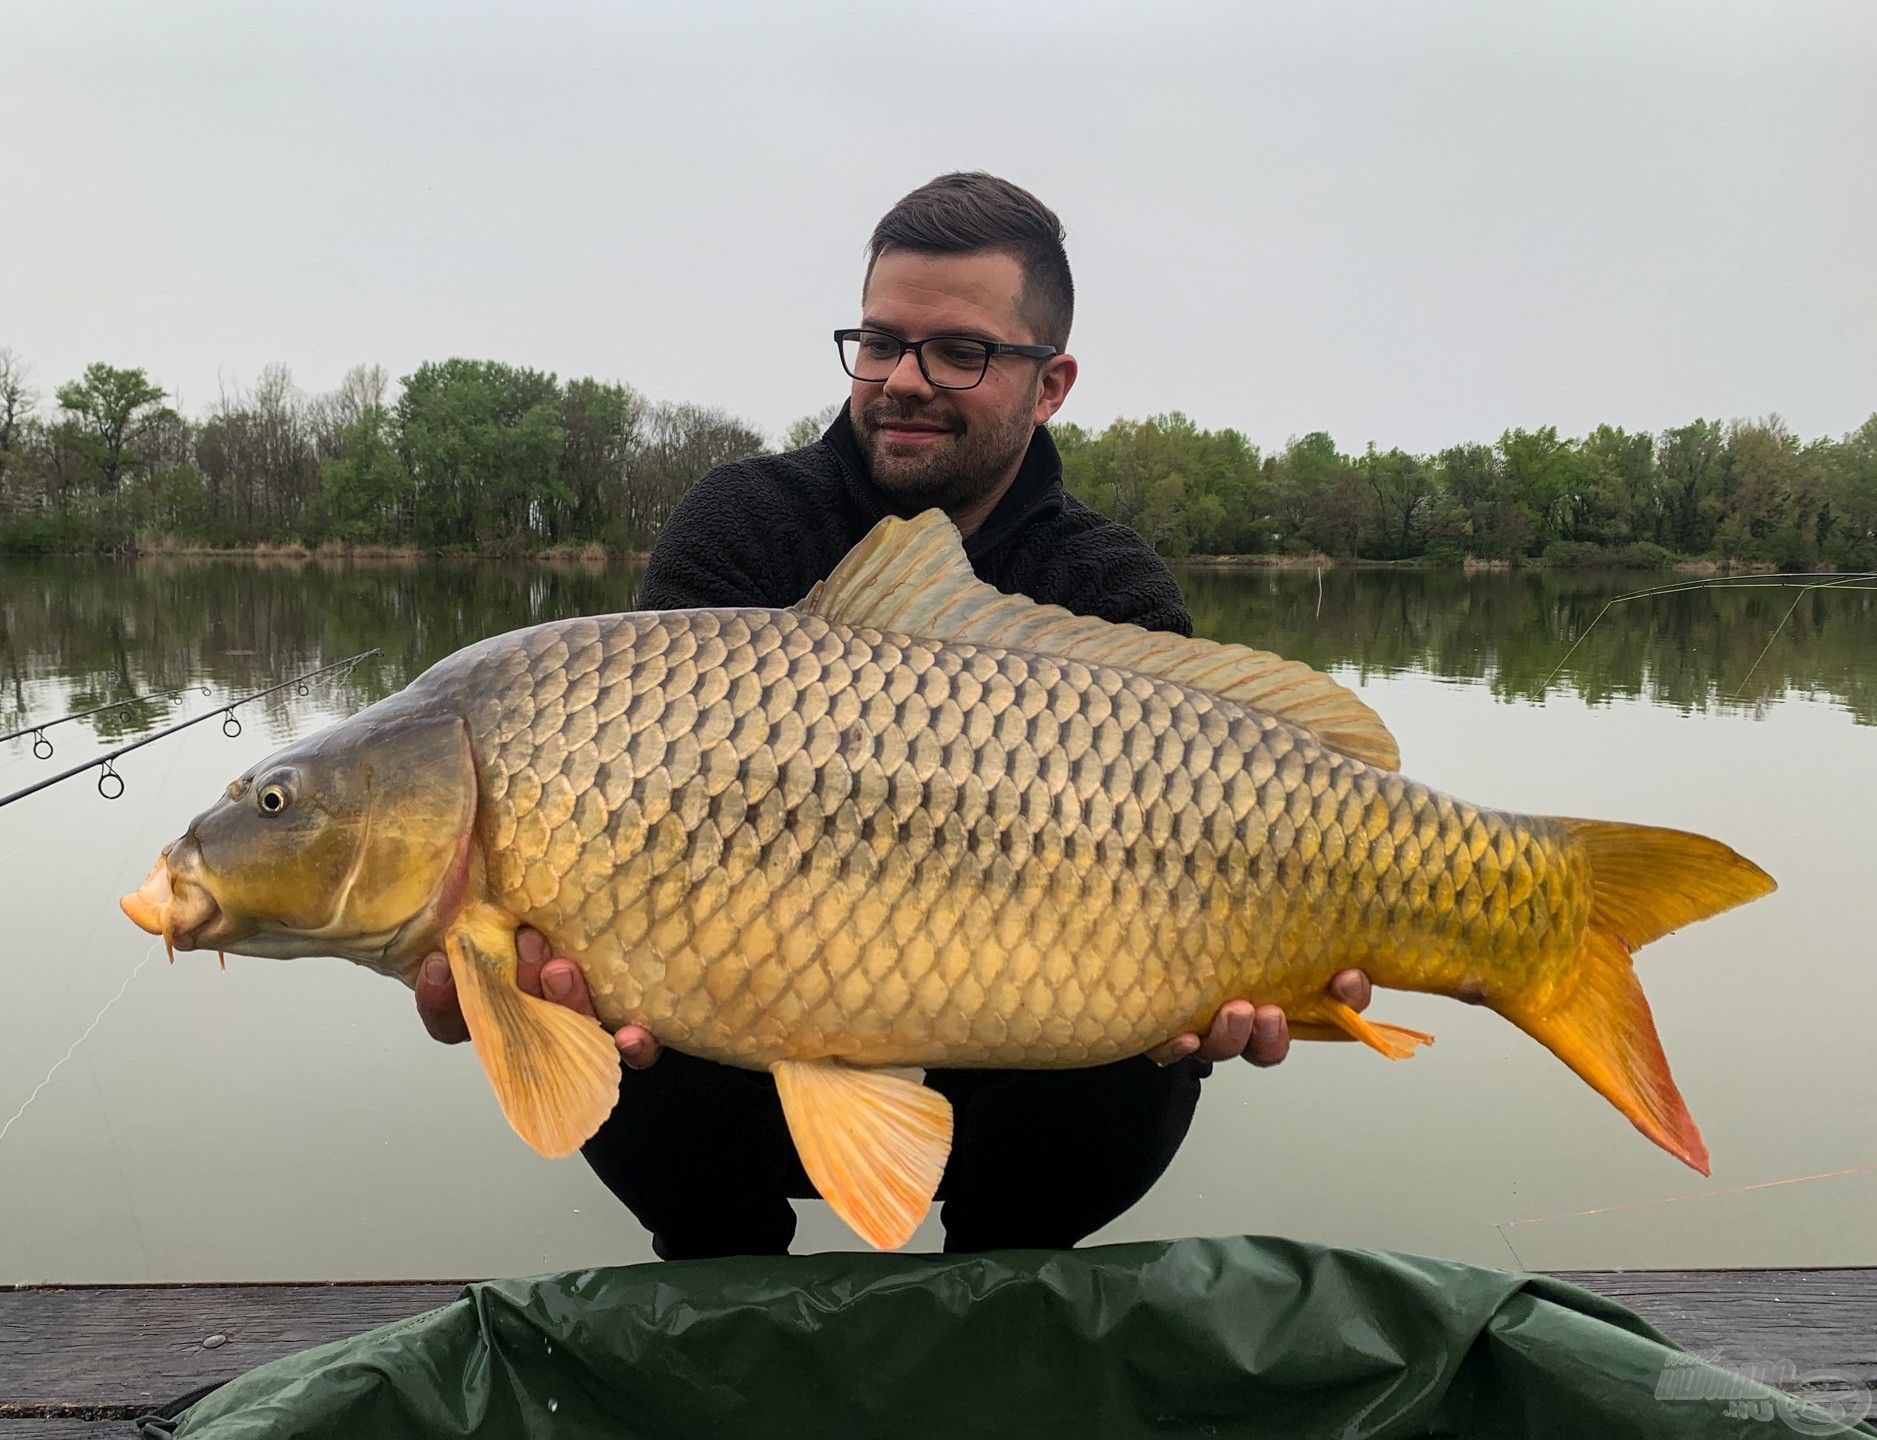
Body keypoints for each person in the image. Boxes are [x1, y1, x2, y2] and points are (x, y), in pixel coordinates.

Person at [415, 172, 1372, 1258]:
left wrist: (1248, 991)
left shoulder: (1105, 579)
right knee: (614, 977)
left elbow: (1210, 853)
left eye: (956, 352)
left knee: (1152, 1046)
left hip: (1025, 1067)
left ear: (1048, 383)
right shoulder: (741, 525)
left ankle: (1008, 1282)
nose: (902, 381)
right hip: (733, 1060)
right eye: (878, 343)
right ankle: (723, 1296)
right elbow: (626, 807)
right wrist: (500, 985)